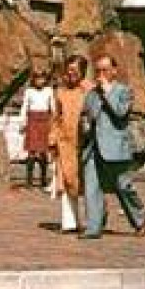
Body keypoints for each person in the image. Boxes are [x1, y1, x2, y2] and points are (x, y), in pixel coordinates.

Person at [79, 54, 145, 239]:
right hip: (93, 148)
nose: (100, 74)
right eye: (97, 71)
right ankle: (93, 227)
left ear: (114, 71)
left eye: (104, 70)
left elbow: (120, 112)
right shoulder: (92, 94)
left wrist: (107, 91)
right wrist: (85, 125)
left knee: (123, 186)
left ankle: (140, 218)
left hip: (115, 149)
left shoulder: (123, 91)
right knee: (91, 186)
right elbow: (87, 115)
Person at [48, 57, 90, 233]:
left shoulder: (89, 90)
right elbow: (56, 118)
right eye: (69, 70)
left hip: (86, 143)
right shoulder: (60, 92)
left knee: (87, 183)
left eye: (75, 70)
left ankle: (94, 218)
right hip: (65, 144)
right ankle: (69, 222)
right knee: (66, 181)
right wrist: (52, 139)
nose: (71, 73)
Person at [18, 68, 56, 189]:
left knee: (44, 151)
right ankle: (29, 180)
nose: (40, 81)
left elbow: (53, 107)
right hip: (33, 120)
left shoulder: (49, 91)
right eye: (37, 78)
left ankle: (43, 179)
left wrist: (55, 121)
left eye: (42, 78)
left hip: (44, 120)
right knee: (32, 151)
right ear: (33, 80)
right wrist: (22, 123)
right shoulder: (29, 91)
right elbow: (24, 107)